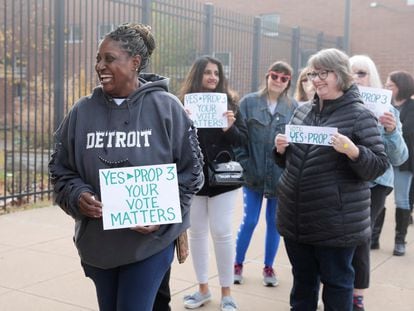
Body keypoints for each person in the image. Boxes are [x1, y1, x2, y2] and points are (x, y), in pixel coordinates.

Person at [48, 23, 204, 311]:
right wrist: (77, 195)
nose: (100, 66)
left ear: (134, 63)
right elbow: (60, 169)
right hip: (99, 244)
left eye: (109, 58)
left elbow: (192, 172)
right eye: (98, 59)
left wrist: (163, 213)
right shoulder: (82, 112)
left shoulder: (167, 108)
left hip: (150, 243)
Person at [274, 48, 389, 310]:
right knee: (302, 285)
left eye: (324, 73)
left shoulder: (361, 116)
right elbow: (291, 162)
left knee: (337, 285)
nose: (316, 79)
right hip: (296, 220)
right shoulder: (302, 111)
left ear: (341, 75)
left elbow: (378, 166)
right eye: (314, 73)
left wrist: (354, 151)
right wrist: (280, 151)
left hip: (335, 223)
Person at [179, 56, 247, 311]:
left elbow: (242, 141)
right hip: (194, 179)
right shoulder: (183, 104)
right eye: (208, 72)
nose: (213, 77)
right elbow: (174, 142)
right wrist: (183, 122)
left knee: (221, 231)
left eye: (216, 73)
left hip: (224, 180)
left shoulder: (229, 104)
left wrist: (229, 127)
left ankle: (227, 293)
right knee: (196, 233)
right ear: (198, 74)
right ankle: (203, 289)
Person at [349, 55, 408, 311]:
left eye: (361, 72)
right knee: (333, 237)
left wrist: (392, 131)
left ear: (370, 76)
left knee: (360, 237)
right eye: (350, 72)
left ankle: (357, 295)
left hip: (375, 183)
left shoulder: (388, 110)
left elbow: (399, 156)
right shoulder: (336, 106)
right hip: (344, 179)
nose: (355, 77)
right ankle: (335, 287)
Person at [233, 61, 297, 287]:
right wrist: (245, 163)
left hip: (280, 177)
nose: (278, 81)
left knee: (274, 223)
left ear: (289, 82)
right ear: (267, 76)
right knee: (249, 220)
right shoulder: (249, 103)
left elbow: (297, 145)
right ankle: (237, 263)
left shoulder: (293, 108)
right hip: (254, 175)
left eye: (284, 78)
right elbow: (238, 139)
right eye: (275, 76)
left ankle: (268, 267)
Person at [379, 70, 414, 256]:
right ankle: (374, 237)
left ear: (401, 87)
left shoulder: (412, 107)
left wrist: (393, 128)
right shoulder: (384, 105)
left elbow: (408, 132)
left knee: (402, 198)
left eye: (390, 85)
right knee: (380, 195)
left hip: (404, 161)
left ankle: (400, 240)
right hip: (383, 159)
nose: (387, 88)